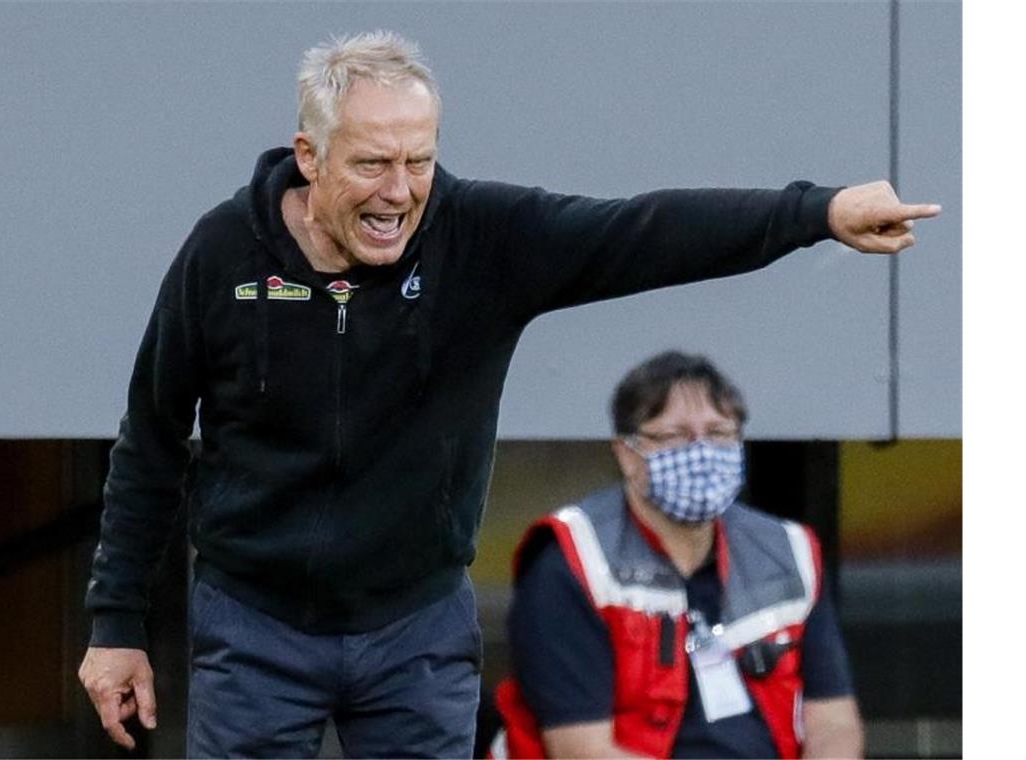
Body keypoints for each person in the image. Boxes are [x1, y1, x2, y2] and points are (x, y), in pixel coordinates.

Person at [78, 30, 931, 758]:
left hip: (414, 630)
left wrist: (818, 212)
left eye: (420, 161)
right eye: (372, 165)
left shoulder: (482, 238)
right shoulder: (223, 253)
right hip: (255, 627)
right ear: (310, 157)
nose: (400, 192)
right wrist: (116, 624)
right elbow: (151, 438)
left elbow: (645, 231)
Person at [491, 351, 862, 759]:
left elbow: (834, 721)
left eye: (719, 433)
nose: (701, 451)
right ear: (626, 453)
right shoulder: (571, 562)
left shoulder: (787, 551)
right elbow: (580, 751)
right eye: (676, 436)